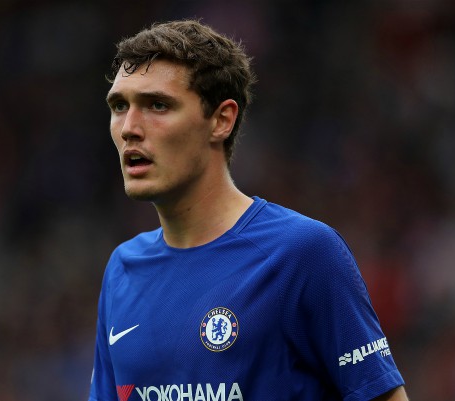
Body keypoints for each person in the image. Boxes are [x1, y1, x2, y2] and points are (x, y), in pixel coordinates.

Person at [89, 19, 407, 401]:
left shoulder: (303, 253)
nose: (129, 128)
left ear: (222, 119)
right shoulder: (122, 269)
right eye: (119, 106)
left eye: (157, 104)